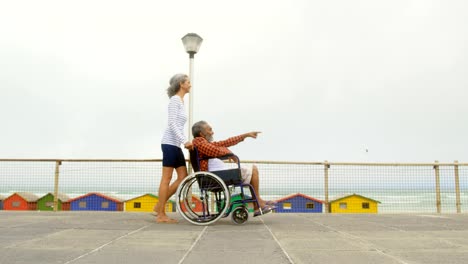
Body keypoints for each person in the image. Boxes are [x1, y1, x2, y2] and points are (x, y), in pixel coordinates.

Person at [191, 120, 276, 216]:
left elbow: (225, 142)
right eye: (210, 130)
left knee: (252, 170)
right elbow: (214, 151)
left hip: (218, 175)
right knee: (254, 169)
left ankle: (258, 202)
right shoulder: (199, 142)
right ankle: (257, 203)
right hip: (215, 177)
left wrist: (245, 135)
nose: (212, 132)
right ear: (201, 133)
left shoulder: (204, 142)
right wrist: (229, 153)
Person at [155, 73, 193, 223]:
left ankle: (159, 206)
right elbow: (172, 124)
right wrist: (185, 141)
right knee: (166, 178)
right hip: (170, 143)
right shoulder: (175, 101)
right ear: (181, 84)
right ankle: (161, 215)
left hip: (175, 144)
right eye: (188, 82)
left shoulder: (181, 101)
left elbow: (178, 125)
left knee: (183, 177)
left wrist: (182, 142)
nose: (190, 84)